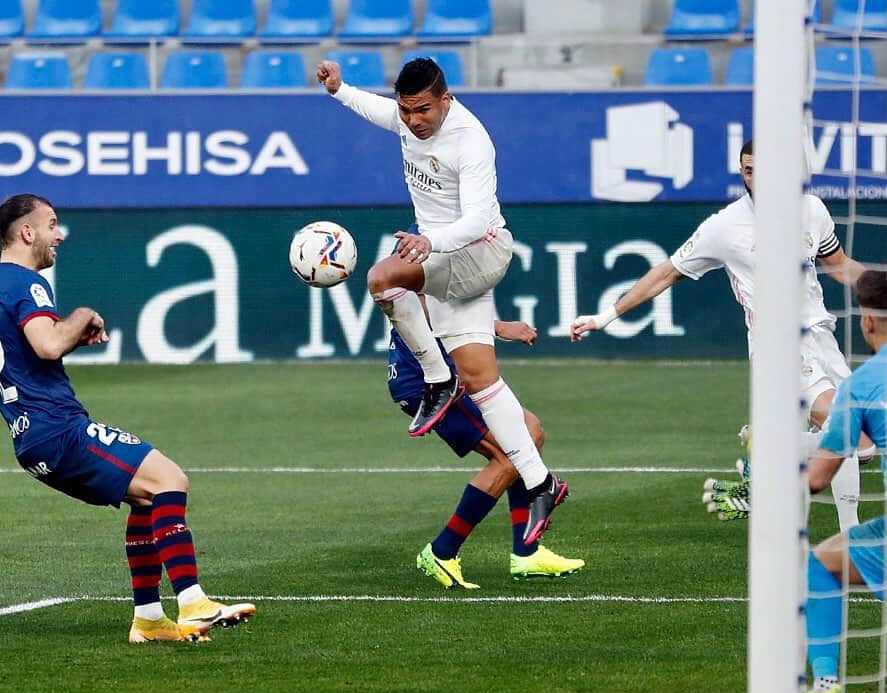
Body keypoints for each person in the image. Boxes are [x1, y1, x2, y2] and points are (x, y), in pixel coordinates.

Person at [317, 56, 568, 547]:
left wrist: (431, 242)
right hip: (452, 265)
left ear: (446, 101)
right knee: (482, 379)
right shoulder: (408, 120)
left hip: (477, 249)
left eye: (424, 110)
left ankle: (436, 378)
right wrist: (340, 89)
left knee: (384, 276)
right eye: (407, 110)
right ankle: (540, 483)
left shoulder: (470, 141)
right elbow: (377, 111)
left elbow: (477, 219)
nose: (414, 120)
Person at [572, 139, 867, 533]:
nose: (755, 177)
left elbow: (839, 264)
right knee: (850, 429)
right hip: (779, 347)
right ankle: (766, 461)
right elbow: (667, 272)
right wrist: (607, 315)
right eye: (748, 170)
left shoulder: (811, 209)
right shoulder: (725, 226)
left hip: (822, 337)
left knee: (854, 440)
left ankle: (846, 529)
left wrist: (878, 288)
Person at [0, 193, 255, 643]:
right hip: (58, 428)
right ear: (27, 232)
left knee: (144, 498)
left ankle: (150, 619)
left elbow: (26, 356)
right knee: (170, 479)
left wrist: (72, 333)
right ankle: (193, 601)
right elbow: (47, 345)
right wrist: (83, 315)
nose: (59, 234)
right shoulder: (25, 283)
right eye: (52, 224)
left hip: (28, 436)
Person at [388, 314, 585, 587]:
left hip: (452, 371)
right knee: (510, 455)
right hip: (428, 381)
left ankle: (526, 552)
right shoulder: (419, 272)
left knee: (530, 431)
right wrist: (501, 327)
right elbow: (425, 307)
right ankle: (442, 551)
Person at [803, 269, 887, 693]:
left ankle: (826, 691)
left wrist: (766, 477)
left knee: (819, 563)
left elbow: (817, 478)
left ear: (867, 323)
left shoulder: (862, 385)